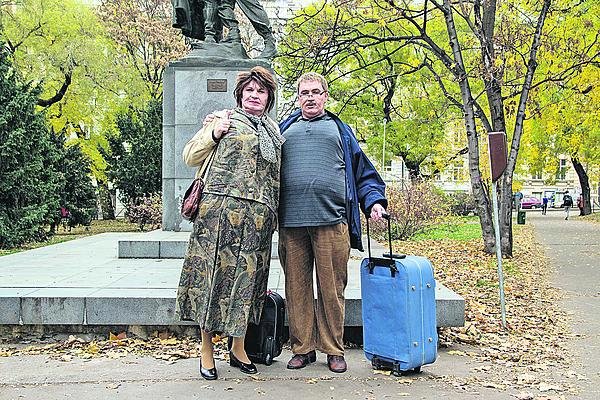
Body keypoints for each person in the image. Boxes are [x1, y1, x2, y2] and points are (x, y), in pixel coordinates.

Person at [175, 66, 284, 380]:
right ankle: (206, 349)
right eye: (249, 90)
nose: (254, 95)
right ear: (240, 94)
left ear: (269, 97)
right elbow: (189, 156)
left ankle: (238, 346)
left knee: (249, 284)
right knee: (213, 280)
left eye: (260, 91)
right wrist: (213, 133)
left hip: (258, 221)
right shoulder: (223, 119)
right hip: (218, 216)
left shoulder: (274, 132)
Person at [278, 72, 387, 373]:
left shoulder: (340, 130)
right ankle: (302, 348)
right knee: (296, 288)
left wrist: (374, 201)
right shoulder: (284, 129)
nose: (310, 97)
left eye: (316, 92)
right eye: (304, 93)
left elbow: (363, 173)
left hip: (332, 221)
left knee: (331, 289)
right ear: (297, 97)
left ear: (326, 96)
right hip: (292, 224)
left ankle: (333, 349)